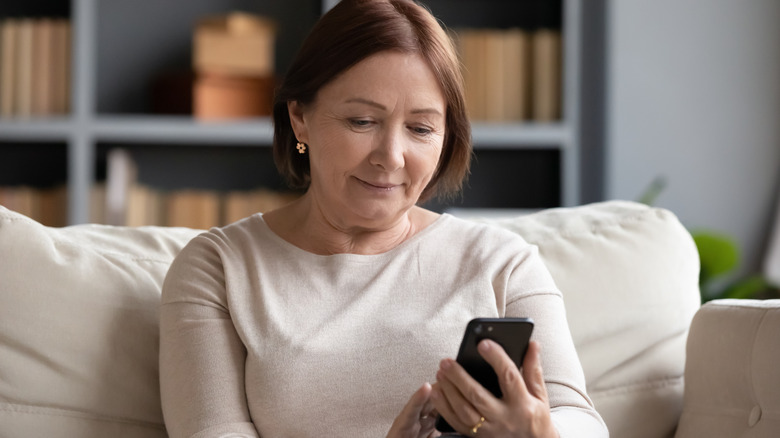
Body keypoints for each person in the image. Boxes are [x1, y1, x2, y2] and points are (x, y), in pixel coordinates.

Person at [159, 0, 608, 437]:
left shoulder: (502, 263)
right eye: (361, 121)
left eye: (420, 129)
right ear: (299, 119)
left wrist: (542, 433)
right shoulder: (217, 269)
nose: (391, 158)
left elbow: (581, 420)